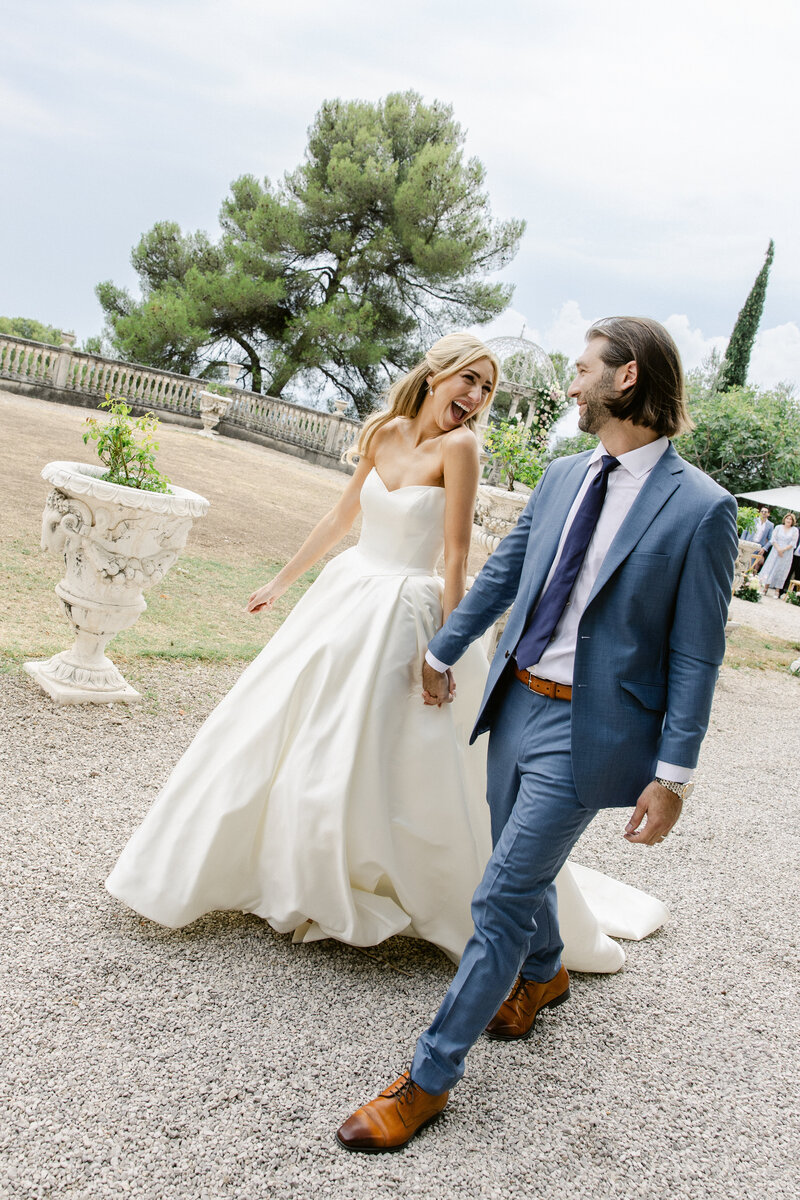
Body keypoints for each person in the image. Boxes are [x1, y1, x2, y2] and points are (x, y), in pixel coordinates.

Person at [106, 333, 665, 969]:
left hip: (409, 611)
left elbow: (455, 557)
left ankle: (409, 885)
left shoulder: (462, 448)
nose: (477, 396)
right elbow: (341, 516)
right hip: (346, 595)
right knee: (293, 730)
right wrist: (281, 582)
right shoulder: (386, 432)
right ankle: (293, 866)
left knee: (390, 750)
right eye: (470, 380)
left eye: (487, 388)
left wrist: (446, 650)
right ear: (437, 376)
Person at [337, 316, 739, 1153]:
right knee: (516, 867)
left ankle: (426, 1080)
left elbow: (700, 652)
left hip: (588, 729)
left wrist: (676, 773)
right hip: (514, 702)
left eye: (582, 369)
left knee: (501, 895)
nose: (569, 384)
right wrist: (443, 649)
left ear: (625, 379)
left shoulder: (702, 508)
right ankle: (546, 972)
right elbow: (506, 575)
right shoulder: (562, 476)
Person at [760, 513, 798, 596]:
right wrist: (778, 549)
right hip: (775, 551)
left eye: (790, 519)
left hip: (786, 553)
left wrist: (783, 550)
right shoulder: (778, 527)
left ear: (793, 521)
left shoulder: (794, 530)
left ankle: (777, 590)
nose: (788, 520)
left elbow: (793, 543)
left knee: (781, 570)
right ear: (784, 519)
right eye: (787, 518)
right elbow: (773, 539)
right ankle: (765, 588)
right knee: (771, 567)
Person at [741, 506, 773, 573]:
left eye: (765, 512)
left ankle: (745, 580)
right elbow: (745, 532)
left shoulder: (770, 525)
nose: (763, 513)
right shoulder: (753, 520)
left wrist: (764, 548)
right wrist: (742, 542)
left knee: (750, 566)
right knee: (742, 562)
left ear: (768, 514)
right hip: (747, 544)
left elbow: (771, 539)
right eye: (762, 511)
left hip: (758, 548)